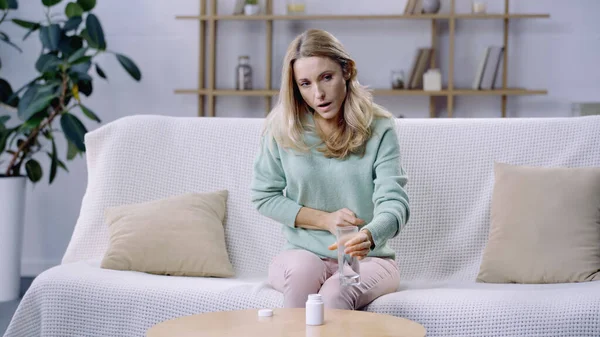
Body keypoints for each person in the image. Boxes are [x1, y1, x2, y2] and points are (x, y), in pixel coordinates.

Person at [250, 29, 410, 311]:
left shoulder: (380, 126)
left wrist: (369, 235)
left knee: (337, 291)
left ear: (347, 70)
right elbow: (264, 196)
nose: (318, 94)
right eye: (305, 84)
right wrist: (325, 220)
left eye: (326, 77)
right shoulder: (283, 128)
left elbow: (394, 203)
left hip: (370, 260)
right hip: (301, 254)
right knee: (302, 273)